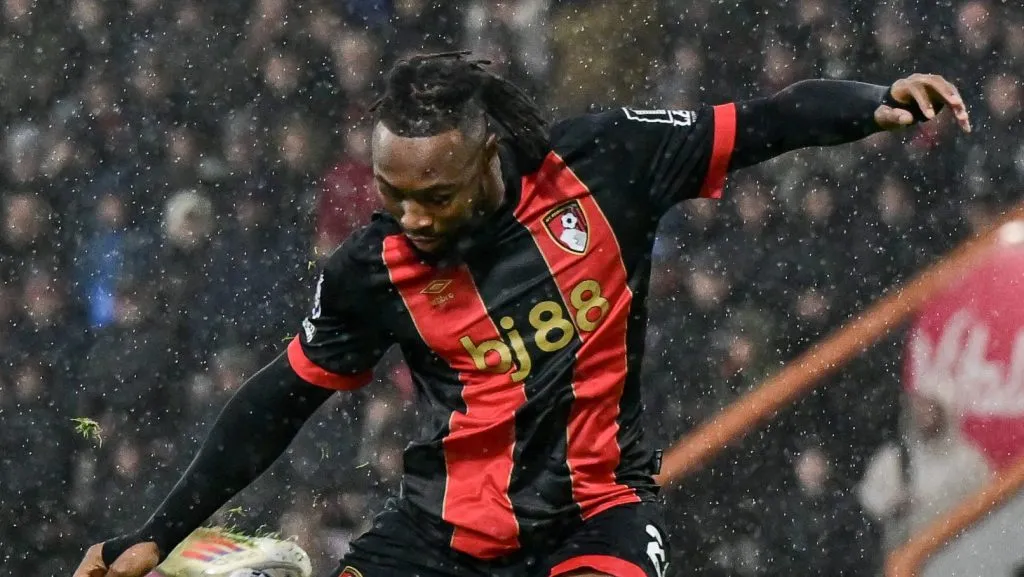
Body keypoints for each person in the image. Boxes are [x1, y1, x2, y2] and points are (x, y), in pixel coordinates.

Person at [74, 51, 971, 577]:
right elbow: (277, 401)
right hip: (439, 535)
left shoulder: (609, 161)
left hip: (598, 513)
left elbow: (765, 121)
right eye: (392, 193)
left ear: (493, 156)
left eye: (434, 194)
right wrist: (159, 531)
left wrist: (872, 102)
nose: (410, 217)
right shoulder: (371, 267)